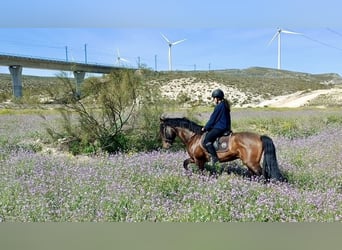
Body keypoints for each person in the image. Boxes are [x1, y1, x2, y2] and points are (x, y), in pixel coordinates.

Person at [201, 89, 231, 166]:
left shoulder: (219, 106)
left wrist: (206, 127)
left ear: (217, 98)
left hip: (220, 127)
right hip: (225, 127)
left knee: (206, 140)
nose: (213, 100)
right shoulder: (224, 105)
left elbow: (213, 119)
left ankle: (215, 158)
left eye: (214, 98)